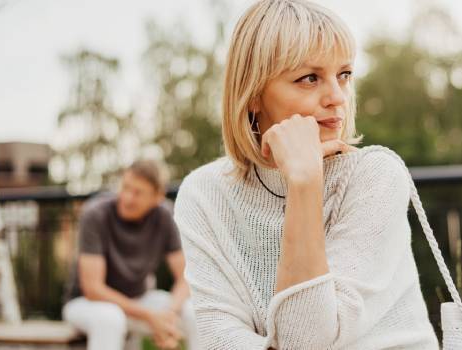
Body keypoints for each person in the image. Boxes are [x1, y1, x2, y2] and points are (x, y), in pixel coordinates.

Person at [172, 0, 439, 348]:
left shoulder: (375, 176)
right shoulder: (203, 194)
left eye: (344, 74)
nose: (337, 97)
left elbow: (307, 340)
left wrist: (304, 183)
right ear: (253, 96)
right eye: (309, 78)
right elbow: (218, 336)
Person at [63, 160, 197, 350]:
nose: (127, 197)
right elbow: (93, 289)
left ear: (157, 196)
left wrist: (169, 314)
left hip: (140, 299)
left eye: (138, 193)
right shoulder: (94, 215)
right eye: (125, 187)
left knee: (196, 312)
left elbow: (185, 276)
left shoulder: (165, 216)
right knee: (110, 319)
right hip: (86, 303)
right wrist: (150, 316)